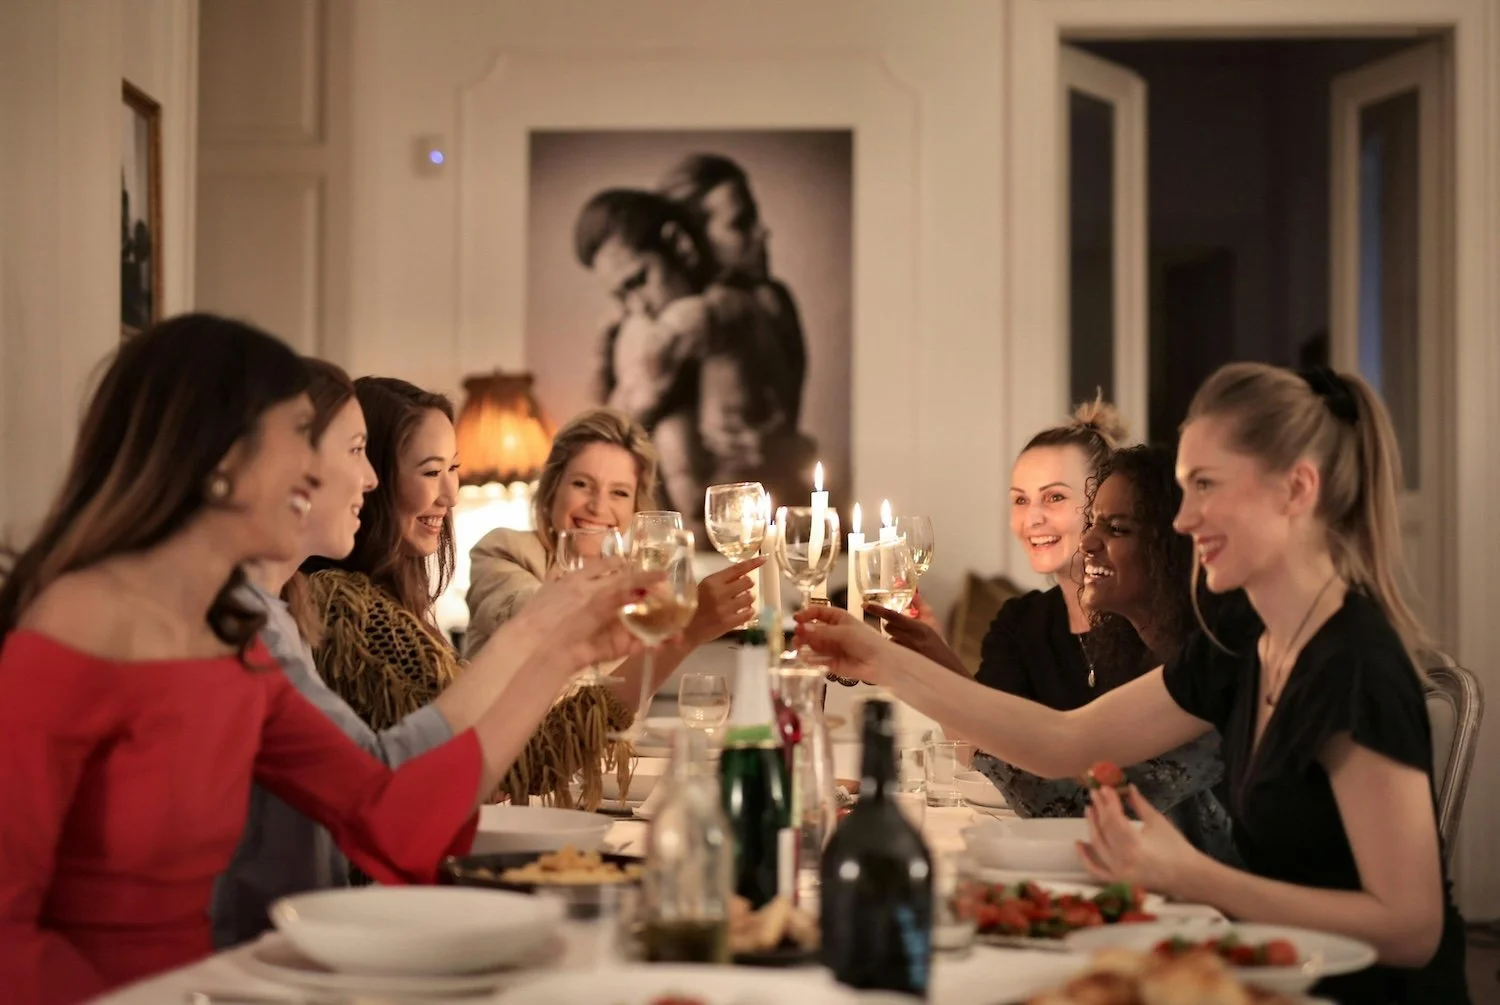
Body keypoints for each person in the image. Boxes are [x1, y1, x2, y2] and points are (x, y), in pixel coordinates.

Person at [0, 315, 648, 1004]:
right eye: (296, 441)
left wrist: (560, 650)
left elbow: (385, 807)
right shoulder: (69, 625)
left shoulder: (233, 637)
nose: (328, 470)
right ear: (221, 462)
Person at [797, 363, 1469, 1003]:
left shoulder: (1352, 662)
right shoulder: (1241, 641)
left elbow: (1410, 930)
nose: (1182, 519)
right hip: (1261, 974)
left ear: (1296, 490)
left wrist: (1194, 876)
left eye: (1207, 486)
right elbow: (1065, 740)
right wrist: (883, 662)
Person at [212, 361, 645, 947]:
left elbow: (417, 791)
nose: (369, 478)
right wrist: (541, 634)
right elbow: (392, 795)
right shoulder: (283, 621)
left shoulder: (284, 614)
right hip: (281, 952)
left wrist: (560, 653)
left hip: (312, 939)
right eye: (357, 452)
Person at [305, 386, 669, 808]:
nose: (452, 494)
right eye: (429, 471)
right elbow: (485, 768)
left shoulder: (391, 604)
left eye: (453, 469)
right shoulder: (349, 609)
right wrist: (552, 620)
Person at [875, 444, 1233, 861]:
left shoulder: (1213, 663)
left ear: (1176, 547)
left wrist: (909, 672)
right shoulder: (1130, 650)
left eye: (1116, 529)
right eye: (1093, 523)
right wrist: (927, 667)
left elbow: (1078, 809)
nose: (1089, 541)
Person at [465, 408, 763, 767]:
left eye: (619, 493)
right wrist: (686, 619)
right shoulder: (504, 551)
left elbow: (620, 717)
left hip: (603, 777)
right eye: (581, 484)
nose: (597, 506)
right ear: (552, 488)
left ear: (637, 508)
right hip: (509, 778)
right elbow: (528, 618)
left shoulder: (641, 582)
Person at [574, 189, 811, 519]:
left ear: (680, 245)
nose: (637, 304)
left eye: (640, 280)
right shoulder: (640, 320)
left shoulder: (712, 312)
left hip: (743, 533)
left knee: (673, 432)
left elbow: (604, 435)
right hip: (700, 542)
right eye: (621, 295)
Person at [658, 152, 807, 428]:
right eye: (741, 223)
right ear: (683, 243)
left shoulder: (774, 303)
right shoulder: (679, 323)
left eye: (756, 217)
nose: (762, 232)